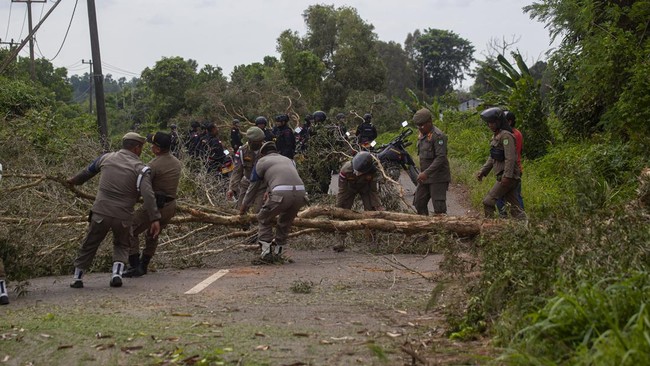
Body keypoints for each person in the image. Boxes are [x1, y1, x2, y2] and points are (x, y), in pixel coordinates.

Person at [67, 132, 161, 288]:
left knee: (90, 243)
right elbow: (148, 195)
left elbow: (85, 173)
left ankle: (77, 277)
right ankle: (116, 274)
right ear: (137, 148)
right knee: (122, 243)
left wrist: (72, 182)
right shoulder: (141, 168)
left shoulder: (105, 158)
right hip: (123, 215)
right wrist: (155, 218)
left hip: (100, 212)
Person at [123, 132, 182, 278]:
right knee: (153, 234)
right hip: (170, 206)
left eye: (152, 145)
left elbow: (144, 187)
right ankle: (144, 265)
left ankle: (135, 264)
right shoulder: (176, 162)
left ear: (157, 148)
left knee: (131, 228)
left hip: (155, 206)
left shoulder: (153, 165)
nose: (150, 147)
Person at [239, 141, 308, 262]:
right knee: (285, 221)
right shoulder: (289, 160)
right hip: (301, 194)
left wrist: (243, 207)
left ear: (262, 153)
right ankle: (279, 251)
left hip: (281, 193)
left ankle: (266, 253)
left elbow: (252, 188)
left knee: (263, 217)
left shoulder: (261, 162)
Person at [476, 107, 525, 219]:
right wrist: (483, 171)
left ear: (499, 121)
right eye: (489, 123)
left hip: (508, 177)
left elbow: (510, 158)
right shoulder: (496, 136)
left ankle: (490, 228)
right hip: (504, 176)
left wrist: (507, 176)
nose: (490, 125)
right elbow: (492, 157)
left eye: (493, 122)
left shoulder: (506, 136)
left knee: (488, 202)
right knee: (515, 208)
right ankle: (524, 230)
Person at [413, 108, 451, 215]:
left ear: (429, 121)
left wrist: (426, 173)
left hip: (438, 177)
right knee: (418, 202)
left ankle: (441, 229)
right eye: (418, 125)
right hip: (425, 177)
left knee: (439, 208)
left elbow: (441, 158)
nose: (420, 128)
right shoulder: (422, 135)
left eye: (422, 125)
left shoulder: (438, 136)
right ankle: (426, 226)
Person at [227, 126, 266, 210]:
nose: (258, 144)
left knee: (258, 210)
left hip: (261, 185)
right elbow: (237, 171)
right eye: (256, 142)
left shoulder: (266, 150)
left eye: (260, 141)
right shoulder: (241, 151)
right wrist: (232, 189)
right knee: (240, 208)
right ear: (249, 141)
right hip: (247, 183)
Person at [496, 111, 524, 214]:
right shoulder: (517, 133)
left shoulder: (509, 135)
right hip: (517, 168)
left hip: (511, 170)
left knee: (499, 197)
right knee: (516, 196)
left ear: (509, 121)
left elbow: (510, 156)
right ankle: (520, 219)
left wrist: (507, 174)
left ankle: (505, 219)